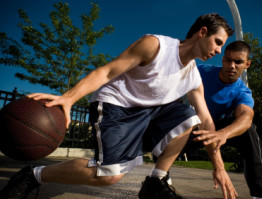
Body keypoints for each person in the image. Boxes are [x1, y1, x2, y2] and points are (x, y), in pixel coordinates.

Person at [0, 13, 237, 199]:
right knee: (108, 177)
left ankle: (156, 181)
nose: (218, 51)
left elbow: (206, 122)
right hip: (116, 106)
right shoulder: (156, 46)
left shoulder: (193, 77)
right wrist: (69, 98)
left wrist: (219, 166)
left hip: (147, 115)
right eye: (217, 42)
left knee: (189, 117)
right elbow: (108, 71)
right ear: (202, 32)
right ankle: (33, 176)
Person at [186, 40, 262, 199]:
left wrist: (223, 133)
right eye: (228, 60)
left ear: (247, 64)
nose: (232, 65)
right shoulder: (201, 71)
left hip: (217, 129)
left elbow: (246, 117)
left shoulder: (242, 92)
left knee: (249, 130)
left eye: (238, 62)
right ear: (222, 59)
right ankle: (160, 176)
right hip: (191, 126)